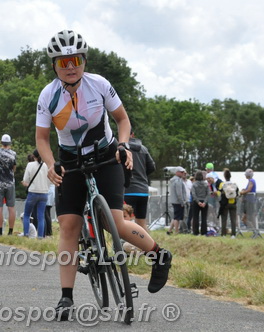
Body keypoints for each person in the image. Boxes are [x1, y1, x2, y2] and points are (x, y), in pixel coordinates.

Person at [35, 30, 172, 319]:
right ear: (55, 66)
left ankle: (159, 256)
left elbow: (122, 119)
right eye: (63, 62)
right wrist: (50, 164)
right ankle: (66, 298)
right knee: (69, 226)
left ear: (84, 61)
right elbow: (42, 139)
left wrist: (123, 145)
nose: (70, 67)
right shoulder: (48, 96)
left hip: (106, 155)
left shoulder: (99, 85)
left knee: (115, 222)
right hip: (70, 161)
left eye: (75, 60)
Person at [124, 128, 156, 231]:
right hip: (143, 191)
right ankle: (147, 246)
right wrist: (142, 175)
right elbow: (152, 167)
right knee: (141, 222)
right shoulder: (143, 149)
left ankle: (124, 245)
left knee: (125, 220)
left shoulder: (121, 149)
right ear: (133, 134)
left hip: (128, 190)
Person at [0, 134, 17, 236]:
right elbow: (14, 168)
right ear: (10, 143)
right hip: (10, 182)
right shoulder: (13, 154)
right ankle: (10, 232)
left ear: (1, 142)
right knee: (11, 207)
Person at [21, 149, 49, 238]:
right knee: (41, 216)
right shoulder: (47, 165)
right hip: (44, 193)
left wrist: (26, 184)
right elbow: (49, 181)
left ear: (34, 156)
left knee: (27, 215)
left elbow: (25, 180)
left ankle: (26, 234)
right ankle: (40, 236)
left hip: (33, 192)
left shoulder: (30, 165)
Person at [167, 167, 187, 235]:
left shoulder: (173, 180)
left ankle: (170, 230)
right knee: (177, 218)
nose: (183, 173)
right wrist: (182, 202)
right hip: (178, 201)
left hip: (174, 200)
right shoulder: (178, 181)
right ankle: (176, 231)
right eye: (181, 172)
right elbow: (179, 193)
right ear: (177, 172)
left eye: (183, 172)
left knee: (175, 216)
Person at [219, 169, 239, 237]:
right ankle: (233, 234)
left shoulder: (223, 184)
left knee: (224, 219)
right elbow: (237, 193)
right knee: (233, 219)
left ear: (224, 176)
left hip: (225, 203)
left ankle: (223, 234)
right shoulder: (234, 184)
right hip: (233, 203)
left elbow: (220, 194)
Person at [191, 171, 210, 235]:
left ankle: (196, 232)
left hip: (196, 202)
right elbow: (208, 194)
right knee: (204, 218)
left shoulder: (194, 184)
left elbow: (193, 194)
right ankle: (204, 232)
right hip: (204, 202)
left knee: (195, 217)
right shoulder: (206, 184)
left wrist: (198, 202)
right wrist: (204, 202)